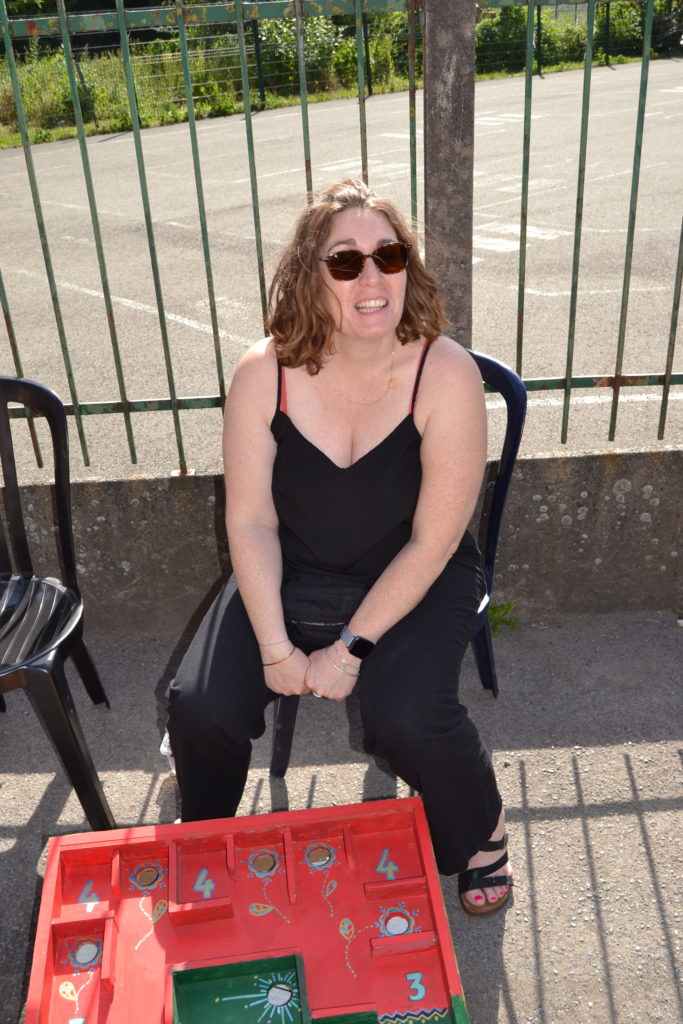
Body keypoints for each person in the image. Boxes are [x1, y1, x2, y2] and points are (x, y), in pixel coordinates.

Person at [166, 178, 513, 916]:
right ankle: (204, 835)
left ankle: (481, 824)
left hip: (417, 572)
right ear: (310, 276)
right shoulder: (263, 373)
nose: (372, 277)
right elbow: (250, 523)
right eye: (346, 261)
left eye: (389, 255)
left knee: (406, 715)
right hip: (292, 565)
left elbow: (435, 539)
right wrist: (276, 650)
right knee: (198, 707)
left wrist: (348, 650)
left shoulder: (445, 372)